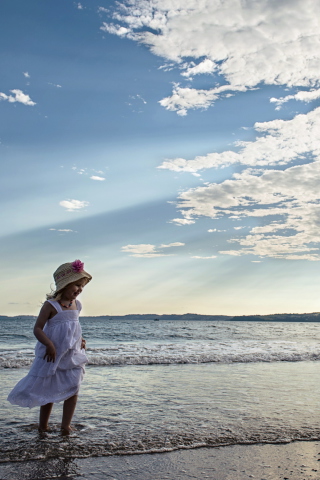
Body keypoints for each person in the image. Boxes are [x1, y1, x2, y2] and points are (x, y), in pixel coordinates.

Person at [7, 259, 92, 433]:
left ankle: (65, 426)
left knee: (74, 387)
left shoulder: (78, 305)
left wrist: (81, 339)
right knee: (48, 391)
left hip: (71, 354)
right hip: (52, 355)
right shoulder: (51, 306)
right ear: (65, 285)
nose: (80, 290)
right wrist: (49, 344)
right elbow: (37, 329)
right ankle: (43, 426)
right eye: (77, 285)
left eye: (82, 286)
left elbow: (74, 327)